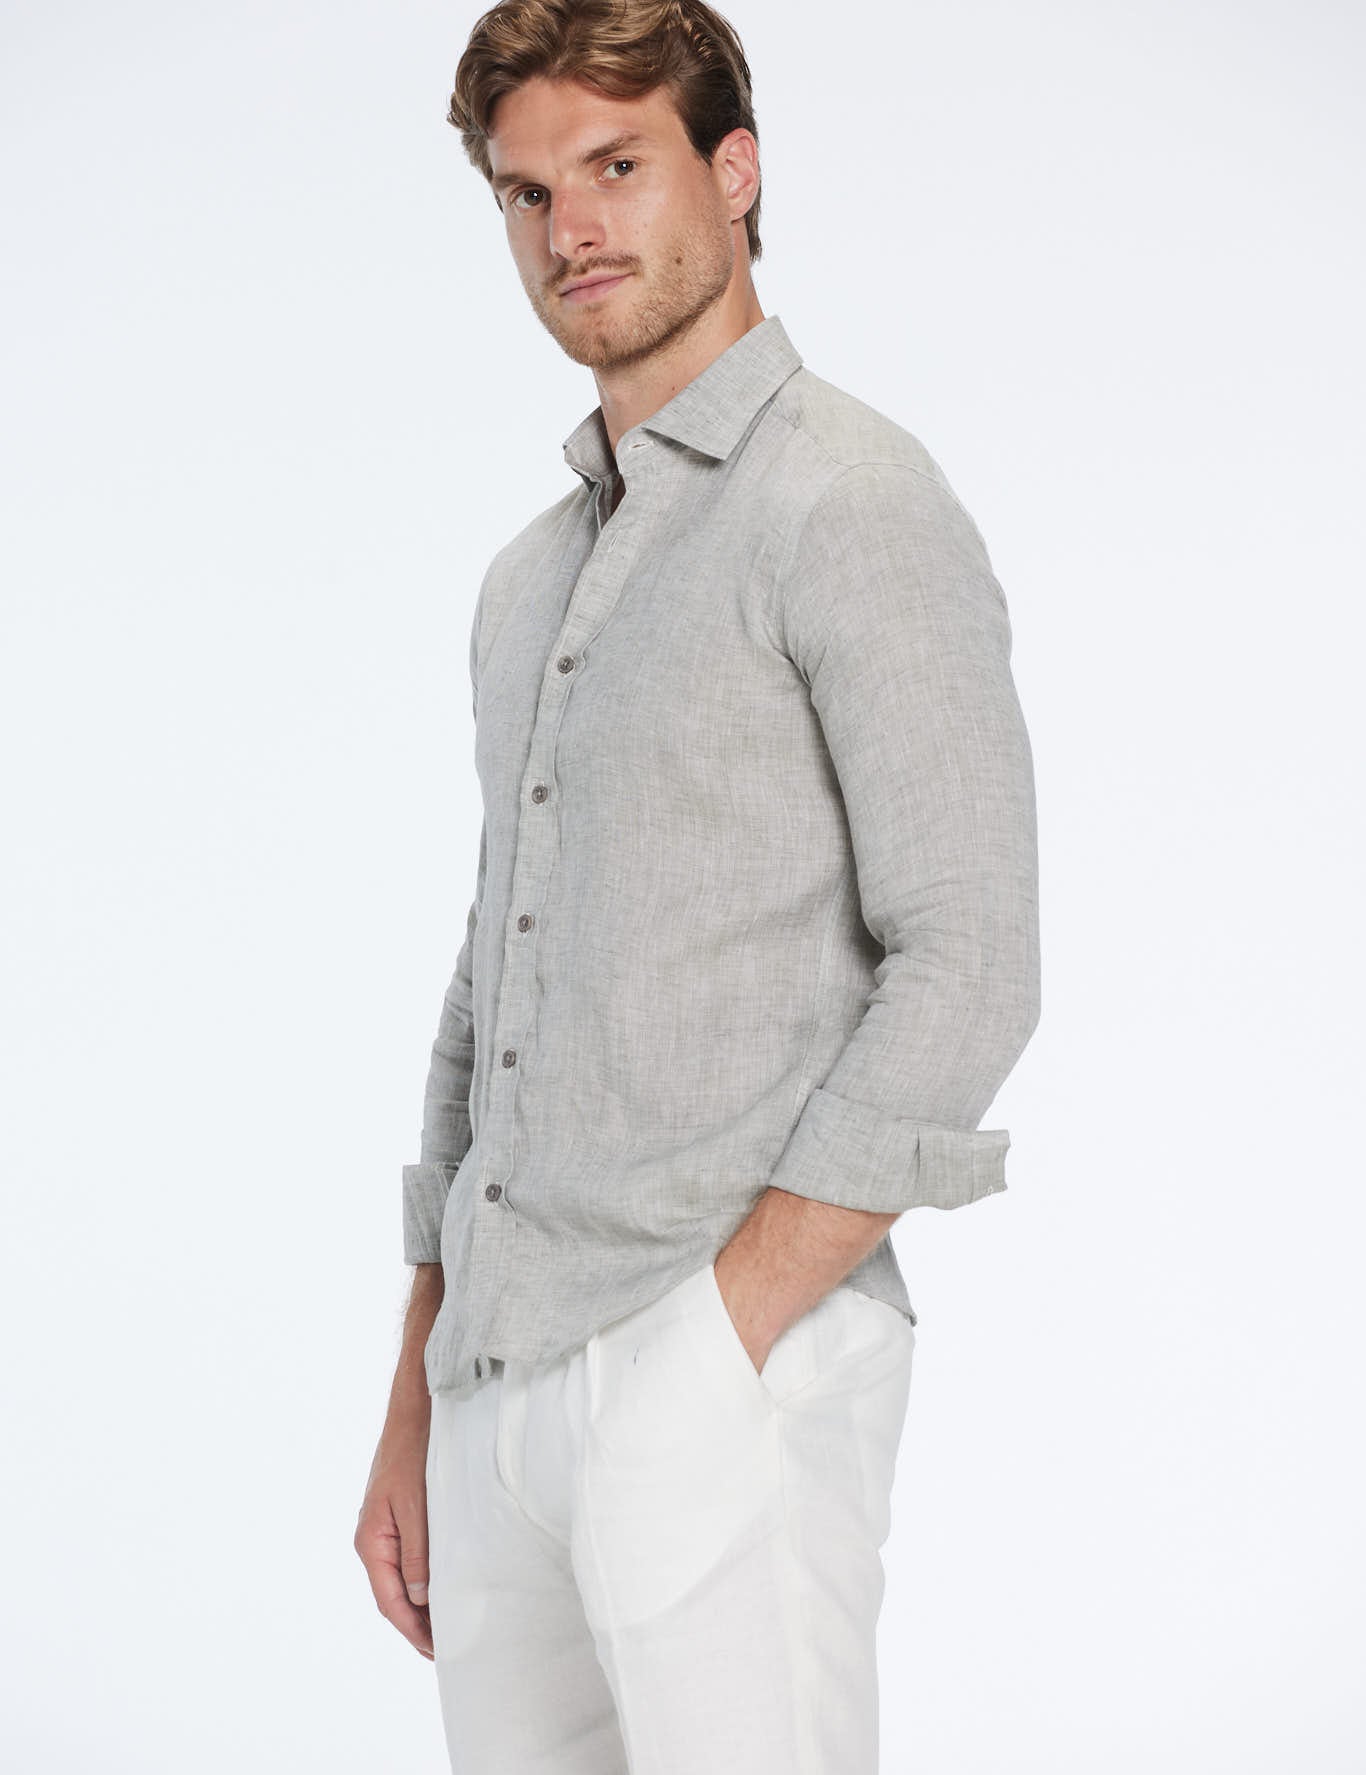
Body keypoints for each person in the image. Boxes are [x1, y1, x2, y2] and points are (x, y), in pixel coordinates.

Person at [355, 3, 1041, 1770]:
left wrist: (723, 1333)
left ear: (732, 171)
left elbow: (969, 953)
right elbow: (489, 987)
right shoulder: (527, 580)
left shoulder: (850, 501)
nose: (569, 228)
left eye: (615, 165)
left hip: (724, 1358)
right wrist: (418, 1390)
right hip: (493, 1389)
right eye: (526, 194)